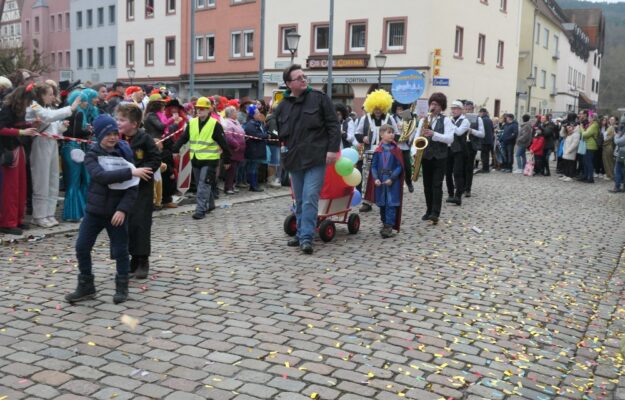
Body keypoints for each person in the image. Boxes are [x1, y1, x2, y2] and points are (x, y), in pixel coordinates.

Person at [65, 115, 153, 304]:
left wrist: (122, 210)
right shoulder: (91, 154)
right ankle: (86, 286)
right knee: (82, 247)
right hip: (94, 212)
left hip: (117, 213)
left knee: (121, 251)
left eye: (115, 133)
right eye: (107, 134)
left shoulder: (124, 152)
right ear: (98, 135)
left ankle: (122, 287)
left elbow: (132, 188)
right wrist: (131, 171)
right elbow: (101, 176)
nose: (112, 137)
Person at [274, 64, 340, 254]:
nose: (304, 80)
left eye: (304, 76)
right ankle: (302, 232)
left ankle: (306, 238)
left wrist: (332, 150)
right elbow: (273, 121)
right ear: (289, 84)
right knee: (300, 199)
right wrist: (272, 127)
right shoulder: (283, 105)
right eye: (299, 78)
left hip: (316, 157)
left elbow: (333, 125)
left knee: (310, 197)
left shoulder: (319, 99)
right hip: (294, 159)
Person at [27, 82, 80, 227]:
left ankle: (49, 213)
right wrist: (71, 108)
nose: (52, 97)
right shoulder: (33, 105)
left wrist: (62, 127)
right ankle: (39, 215)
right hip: (40, 143)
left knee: (53, 179)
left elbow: (53, 126)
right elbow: (47, 117)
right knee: (41, 180)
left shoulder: (48, 107)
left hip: (51, 143)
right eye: (49, 94)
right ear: (41, 95)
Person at [117, 103, 161, 279]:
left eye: (122, 120)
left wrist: (145, 170)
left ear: (134, 124)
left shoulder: (145, 139)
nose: (118, 123)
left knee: (140, 224)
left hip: (141, 189)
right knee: (126, 224)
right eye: (118, 119)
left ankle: (142, 260)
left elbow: (155, 159)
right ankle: (131, 260)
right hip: (124, 188)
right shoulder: (118, 139)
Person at [172, 97, 231, 220]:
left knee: (203, 185)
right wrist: (175, 149)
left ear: (209, 110)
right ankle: (210, 204)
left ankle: (200, 210)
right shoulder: (192, 123)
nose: (200, 111)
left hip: (210, 160)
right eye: (198, 108)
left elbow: (224, 144)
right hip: (196, 159)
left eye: (203, 109)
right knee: (203, 184)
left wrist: (227, 160)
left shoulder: (215, 125)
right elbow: (184, 138)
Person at [411, 92, 454, 225]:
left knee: (437, 184)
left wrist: (434, 134)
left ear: (441, 107)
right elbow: (417, 137)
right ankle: (429, 210)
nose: (433, 106)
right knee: (427, 186)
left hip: (440, 157)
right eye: (432, 103)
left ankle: (435, 213)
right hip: (426, 156)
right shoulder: (424, 120)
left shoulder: (446, 120)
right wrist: (414, 151)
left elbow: (450, 139)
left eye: (436, 104)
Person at [0, 86, 38, 235]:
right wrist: (22, 131)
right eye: (28, 101)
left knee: (21, 186)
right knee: (10, 189)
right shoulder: (7, 109)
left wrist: (31, 125)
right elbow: (1, 128)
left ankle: (17, 220)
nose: (28, 104)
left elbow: (16, 125)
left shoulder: (17, 109)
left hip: (18, 148)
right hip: (9, 151)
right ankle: (7, 222)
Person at [355, 89, 400, 212]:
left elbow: (397, 134)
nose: (378, 111)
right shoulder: (365, 118)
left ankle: (384, 199)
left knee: (385, 175)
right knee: (367, 176)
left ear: (384, 107)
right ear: (371, 107)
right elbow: (357, 133)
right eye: (375, 108)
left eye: (380, 108)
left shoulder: (390, 119)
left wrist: (390, 139)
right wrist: (363, 137)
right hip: (370, 152)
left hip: (387, 153)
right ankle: (367, 202)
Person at [62, 89, 98, 222]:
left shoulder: (70, 112)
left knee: (74, 181)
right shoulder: (78, 113)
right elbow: (76, 133)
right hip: (74, 148)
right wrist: (88, 131)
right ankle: (74, 213)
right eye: (83, 101)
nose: (85, 103)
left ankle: (75, 211)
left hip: (68, 148)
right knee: (75, 181)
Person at [369, 124, 404, 238]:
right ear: (381, 134)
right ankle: (384, 223)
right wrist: (376, 178)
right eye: (388, 132)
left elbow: (399, 166)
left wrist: (392, 178)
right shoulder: (378, 151)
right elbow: (373, 166)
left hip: (392, 181)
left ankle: (389, 226)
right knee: (382, 204)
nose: (391, 134)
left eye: (392, 132)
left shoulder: (396, 150)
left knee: (391, 204)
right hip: (381, 181)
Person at [446, 100, 469, 206]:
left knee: (457, 173)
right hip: (448, 148)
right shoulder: (450, 120)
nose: (453, 111)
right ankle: (450, 194)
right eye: (452, 108)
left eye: (455, 109)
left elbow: (459, 132)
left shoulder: (465, 121)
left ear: (461, 110)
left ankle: (458, 196)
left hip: (459, 150)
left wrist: (450, 124)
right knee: (447, 173)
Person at [243, 104, 268, 192]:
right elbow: (256, 135)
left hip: (257, 149)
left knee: (255, 168)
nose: (259, 114)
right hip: (253, 150)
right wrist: (266, 135)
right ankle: (253, 185)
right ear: (253, 114)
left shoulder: (257, 123)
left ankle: (255, 184)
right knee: (253, 168)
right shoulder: (250, 124)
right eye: (257, 113)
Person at [461, 101, 484, 197]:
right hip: (461, 145)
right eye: (466, 109)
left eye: (469, 109)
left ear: (472, 109)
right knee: (460, 167)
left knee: (469, 167)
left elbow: (482, 134)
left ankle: (467, 189)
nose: (467, 111)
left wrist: (472, 131)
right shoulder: (460, 118)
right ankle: (460, 187)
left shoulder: (478, 119)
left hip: (471, 145)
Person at [222, 106, 246, 195]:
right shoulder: (227, 122)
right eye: (235, 112)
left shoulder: (236, 122)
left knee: (235, 169)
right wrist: (236, 144)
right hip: (233, 150)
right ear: (231, 113)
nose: (236, 113)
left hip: (239, 151)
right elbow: (228, 137)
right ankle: (228, 187)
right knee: (231, 170)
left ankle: (232, 185)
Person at [579, 111, 599, 183]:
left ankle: (590, 178)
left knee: (589, 162)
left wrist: (581, 128)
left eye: (590, 117)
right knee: (585, 162)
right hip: (587, 145)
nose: (588, 119)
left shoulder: (594, 125)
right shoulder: (591, 125)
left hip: (591, 146)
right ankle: (585, 176)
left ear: (593, 118)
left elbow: (585, 134)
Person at [559, 113, 580, 182]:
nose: (568, 128)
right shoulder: (568, 133)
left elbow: (575, 144)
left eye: (570, 127)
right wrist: (563, 127)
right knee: (566, 163)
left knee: (570, 164)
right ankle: (566, 174)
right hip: (566, 151)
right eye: (568, 128)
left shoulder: (576, 133)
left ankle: (570, 176)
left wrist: (569, 150)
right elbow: (562, 134)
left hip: (571, 151)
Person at [611, 125, 625, 192]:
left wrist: (616, 135)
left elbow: (618, 142)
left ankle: (617, 187)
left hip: (623, 154)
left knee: (618, 170)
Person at [602, 116, 616, 181]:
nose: (611, 120)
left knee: (608, 161)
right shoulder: (610, 127)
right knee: (607, 161)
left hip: (608, 146)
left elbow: (608, 138)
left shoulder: (611, 128)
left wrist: (603, 142)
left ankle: (610, 175)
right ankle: (609, 174)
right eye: (610, 119)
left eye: (613, 119)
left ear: (615, 121)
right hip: (607, 146)